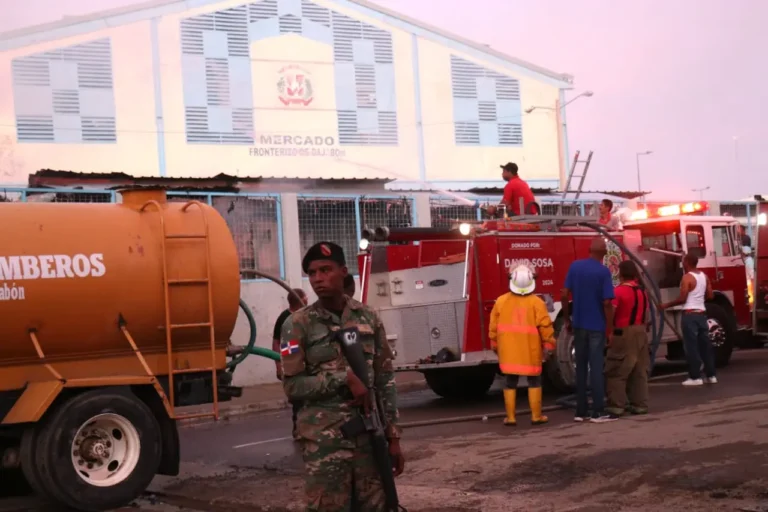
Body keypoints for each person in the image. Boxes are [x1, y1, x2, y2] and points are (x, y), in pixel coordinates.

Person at [280, 241, 405, 510]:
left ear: (344, 271)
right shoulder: (298, 324)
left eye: (325, 270)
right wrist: (343, 378)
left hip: (370, 441)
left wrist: (393, 437)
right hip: (325, 446)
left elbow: (385, 379)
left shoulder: (368, 317)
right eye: (312, 273)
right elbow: (292, 386)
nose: (318, 279)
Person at [489, 264, 556, 426]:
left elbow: (493, 328)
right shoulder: (537, 303)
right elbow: (545, 327)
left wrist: (495, 346)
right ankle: (536, 416)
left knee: (510, 382)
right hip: (530, 351)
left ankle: (511, 417)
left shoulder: (501, 301)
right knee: (534, 381)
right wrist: (549, 344)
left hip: (508, 353)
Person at [561, 238, 618, 423]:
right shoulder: (603, 272)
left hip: (578, 325)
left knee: (581, 369)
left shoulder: (575, 266)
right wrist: (610, 328)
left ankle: (581, 411)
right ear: (604, 254)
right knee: (595, 368)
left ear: (588, 250)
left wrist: (567, 318)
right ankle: (599, 412)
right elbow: (608, 302)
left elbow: (563, 293)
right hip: (596, 327)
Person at [659, 252, 716, 386]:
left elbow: (683, 298)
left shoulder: (687, 278)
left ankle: (695, 377)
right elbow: (710, 295)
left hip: (690, 315)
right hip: (702, 314)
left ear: (687, 263)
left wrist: (665, 305)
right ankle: (711, 375)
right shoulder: (704, 276)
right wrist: (699, 300)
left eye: (684, 262)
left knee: (691, 347)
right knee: (705, 346)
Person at [605, 261, 650, 417]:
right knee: (639, 370)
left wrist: (609, 331)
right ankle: (639, 404)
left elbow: (612, 311)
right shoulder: (642, 292)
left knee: (617, 370)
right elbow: (647, 315)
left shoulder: (619, 292)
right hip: (641, 331)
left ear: (620, 273)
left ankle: (617, 406)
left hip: (623, 333)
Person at [272, 288, 308, 440]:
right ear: (300, 300)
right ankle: (298, 429)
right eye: (305, 299)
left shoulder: (307, 316)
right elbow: (276, 343)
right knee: (297, 400)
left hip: (306, 364)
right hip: (292, 365)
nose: (307, 300)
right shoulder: (285, 319)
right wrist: (279, 366)